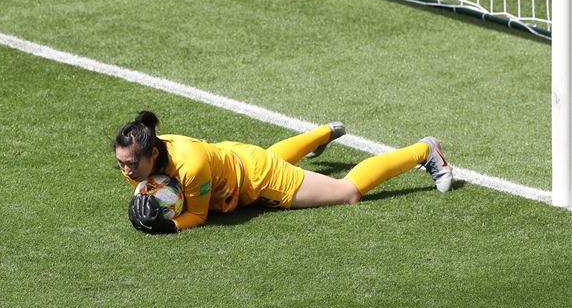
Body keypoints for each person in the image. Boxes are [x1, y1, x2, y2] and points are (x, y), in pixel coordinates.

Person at [115, 110, 452, 233]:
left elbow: (198, 215)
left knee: (347, 192)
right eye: (122, 163)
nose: (127, 170)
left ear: (153, 153)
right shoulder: (138, 159)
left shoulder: (191, 165)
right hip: (235, 158)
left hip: (257, 177)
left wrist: (167, 224)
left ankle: (424, 151)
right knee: (271, 157)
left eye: (131, 164)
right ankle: (323, 133)